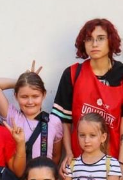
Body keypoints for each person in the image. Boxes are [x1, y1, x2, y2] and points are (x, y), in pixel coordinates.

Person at [52, 18, 123, 167]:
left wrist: (121, 164)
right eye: (89, 39)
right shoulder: (72, 74)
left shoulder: (121, 74)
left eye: (101, 38)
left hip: (114, 161)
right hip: (80, 162)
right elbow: (64, 121)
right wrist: (69, 152)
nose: (94, 44)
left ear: (110, 41)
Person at [0, 64, 63, 163]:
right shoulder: (12, 117)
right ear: (16, 96)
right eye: (24, 97)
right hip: (18, 172)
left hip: (44, 172)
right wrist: (23, 82)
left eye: (35, 96)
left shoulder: (54, 121)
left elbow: (56, 156)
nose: (30, 102)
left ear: (44, 95)